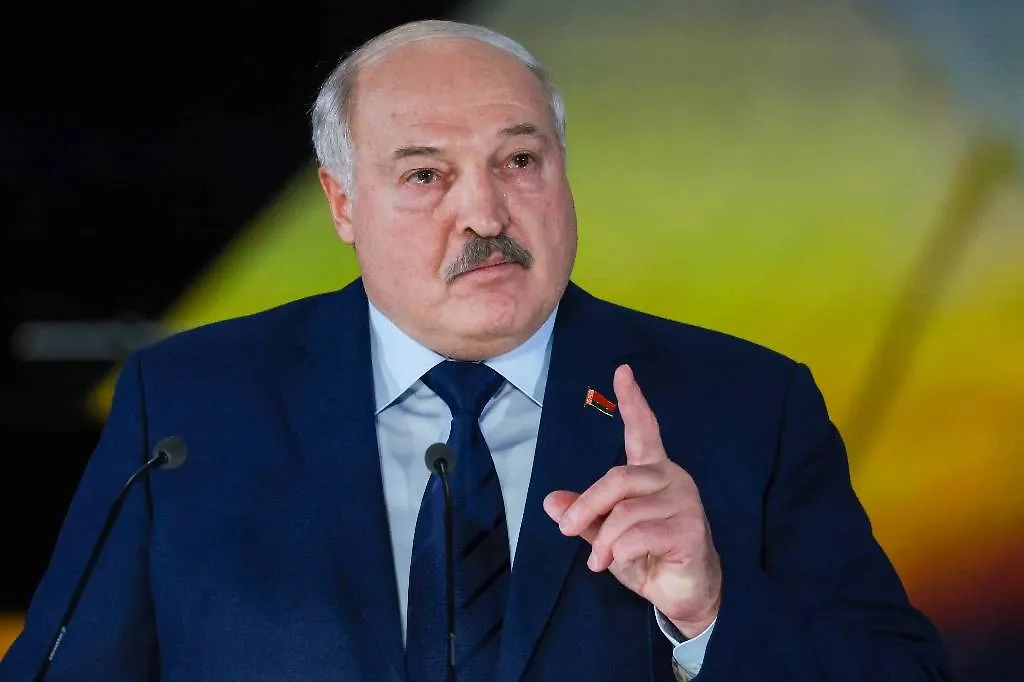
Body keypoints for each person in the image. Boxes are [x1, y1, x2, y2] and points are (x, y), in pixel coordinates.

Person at [0, 19, 953, 682]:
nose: (486, 214)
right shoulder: (188, 408)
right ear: (342, 203)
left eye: (519, 161)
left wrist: (707, 611)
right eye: (426, 175)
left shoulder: (748, 406)